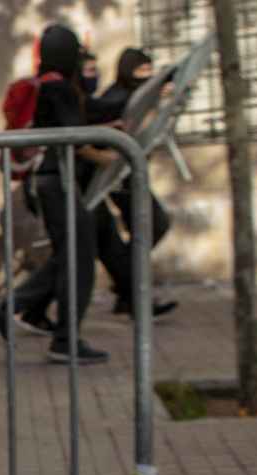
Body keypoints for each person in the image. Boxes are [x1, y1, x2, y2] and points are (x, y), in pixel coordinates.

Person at [13, 25, 111, 364]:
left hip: (49, 182)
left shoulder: (47, 85)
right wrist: (113, 154)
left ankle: (12, 309)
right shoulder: (59, 88)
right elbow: (76, 140)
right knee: (79, 258)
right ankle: (65, 339)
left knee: (69, 256)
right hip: (59, 182)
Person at [90, 48, 177, 319]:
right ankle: (129, 290)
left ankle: (127, 293)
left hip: (127, 174)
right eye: (141, 72)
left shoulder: (132, 96)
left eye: (149, 72)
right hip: (118, 177)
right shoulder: (117, 97)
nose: (146, 76)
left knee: (147, 229)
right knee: (153, 223)